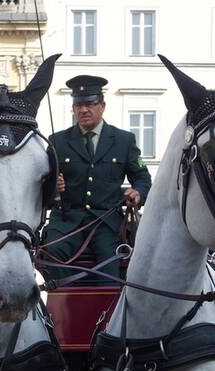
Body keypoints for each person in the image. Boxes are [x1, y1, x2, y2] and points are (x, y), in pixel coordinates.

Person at [43, 75, 152, 282]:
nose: (84, 110)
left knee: (111, 268)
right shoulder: (58, 141)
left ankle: (108, 314)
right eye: (78, 105)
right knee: (52, 254)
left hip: (107, 223)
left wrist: (138, 193)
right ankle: (63, 310)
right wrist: (52, 187)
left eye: (90, 104)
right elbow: (41, 186)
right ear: (73, 109)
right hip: (66, 221)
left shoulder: (124, 140)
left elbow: (143, 178)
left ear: (102, 106)